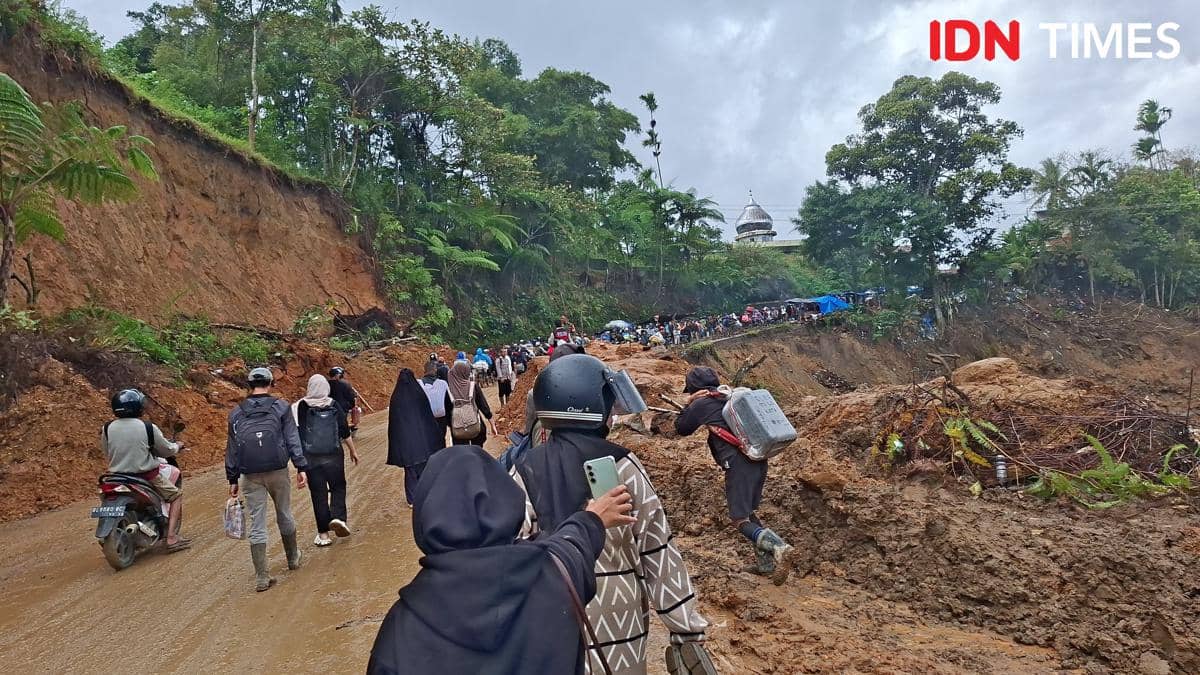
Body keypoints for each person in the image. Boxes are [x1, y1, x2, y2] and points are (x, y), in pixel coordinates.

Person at [513, 353, 714, 675]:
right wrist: (686, 629)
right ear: (591, 406)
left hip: (551, 614)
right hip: (620, 622)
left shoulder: (523, 469)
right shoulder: (624, 466)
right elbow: (657, 550)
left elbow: (512, 550)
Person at [367, 445, 635, 675]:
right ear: (509, 503)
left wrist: (591, 519)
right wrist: (595, 516)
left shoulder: (399, 630)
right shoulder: (556, 574)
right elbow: (575, 541)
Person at [674, 366, 796, 585]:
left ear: (693, 388)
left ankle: (779, 547)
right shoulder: (728, 396)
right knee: (748, 512)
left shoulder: (701, 404)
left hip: (738, 464)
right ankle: (765, 565)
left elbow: (681, 428)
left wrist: (688, 403)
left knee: (739, 519)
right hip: (758, 459)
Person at [225, 367, 309, 592]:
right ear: (271, 383)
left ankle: (262, 577)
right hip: (278, 470)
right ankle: (293, 558)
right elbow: (292, 439)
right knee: (284, 512)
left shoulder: (236, 413)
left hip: (250, 475)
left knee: (257, 521)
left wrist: (232, 479)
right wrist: (301, 466)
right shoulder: (281, 407)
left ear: (249, 385)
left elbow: (232, 448)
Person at [101, 389, 190, 553]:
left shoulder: (107, 428)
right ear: (138, 407)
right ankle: (171, 538)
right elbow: (167, 450)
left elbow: (107, 451)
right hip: (146, 477)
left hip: (116, 478)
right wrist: (178, 445)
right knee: (176, 495)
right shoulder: (148, 427)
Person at [292, 374, 359, 547]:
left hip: (311, 458)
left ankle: (323, 535)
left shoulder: (298, 407)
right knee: (338, 487)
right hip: (334, 455)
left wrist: (299, 464)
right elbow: (344, 431)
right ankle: (338, 517)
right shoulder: (333, 404)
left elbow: (294, 436)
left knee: (318, 494)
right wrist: (353, 450)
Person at [388, 368, 447, 506]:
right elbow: (427, 417)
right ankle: (425, 494)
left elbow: (394, 423)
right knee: (423, 466)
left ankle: (412, 499)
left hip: (405, 441)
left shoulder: (396, 397)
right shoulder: (419, 394)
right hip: (421, 439)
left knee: (410, 470)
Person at [447, 360, 497, 445]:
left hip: (458, 430)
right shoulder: (472, 386)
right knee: (477, 451)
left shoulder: (448, 390)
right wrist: (492, 424)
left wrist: (451, 424)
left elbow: (446, 411)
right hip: (475, 426)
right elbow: (483, 406)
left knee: (462, 453)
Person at [419, 361, 453, 443]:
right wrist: (450, 421)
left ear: (424, 371)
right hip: (440, 419)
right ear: (435, 371)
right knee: (441, 440)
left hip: (425, 419)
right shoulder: (443, 383)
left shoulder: (419, 384)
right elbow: (449, 404)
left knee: (427, 440)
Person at [327, 366, 360, 434]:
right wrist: (353, 405)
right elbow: (351, 397)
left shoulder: (326, 384)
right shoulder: (345, 384)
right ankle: (348, 431)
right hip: (342, 408)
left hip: (328, 407)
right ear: (338, 375)